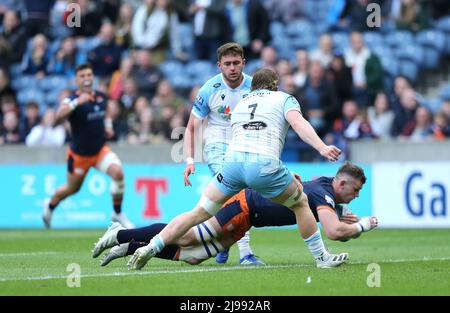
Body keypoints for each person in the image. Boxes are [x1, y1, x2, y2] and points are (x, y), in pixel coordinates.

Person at [127, 68, 346, 270]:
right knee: (300, 203)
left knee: (198, 213)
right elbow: (298, 124)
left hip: (232, 165)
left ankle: (151, 246)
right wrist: (322, 147)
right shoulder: (284, 98)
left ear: (254, 87)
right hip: (263, 165)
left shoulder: (241, 104)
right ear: (275, 85)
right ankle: (321, 258)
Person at [92, 162, 378, 266]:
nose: (355, 196)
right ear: (341, 183)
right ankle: (118, 232)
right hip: (245, 204)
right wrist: (365, 224)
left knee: (192, 256)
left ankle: (130, 247)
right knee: (189, 235)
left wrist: (341, 212)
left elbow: (332, 216)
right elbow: (335, 233)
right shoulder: (323, 193)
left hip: (247, 218)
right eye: (354, 191)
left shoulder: (326, 189)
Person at [183, 42, 260, 265]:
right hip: (217, 144)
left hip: (245, 144)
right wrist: (189, 160)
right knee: (238, 194)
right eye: (228, 64)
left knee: (243, 199)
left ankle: (223, 241)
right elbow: (191, 128)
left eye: (236, 63)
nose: (233, 68)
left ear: (244, 63)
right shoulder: (209, 89)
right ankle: (245, 253)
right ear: (219, 66)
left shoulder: (255, 87)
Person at [42, 64, 134, 229]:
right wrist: (77, 102)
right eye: (82, 76)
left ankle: (117, 213)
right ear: (77, 80)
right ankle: (49, 205)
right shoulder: (71, 99)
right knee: (71, 189)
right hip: (79, 156)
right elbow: (57, 119)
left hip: (99, 151)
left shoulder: (100, 96)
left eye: (89, 75)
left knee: (118, 173)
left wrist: (108, 126)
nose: (86, 78)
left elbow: (104, 113)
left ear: (93, 77)